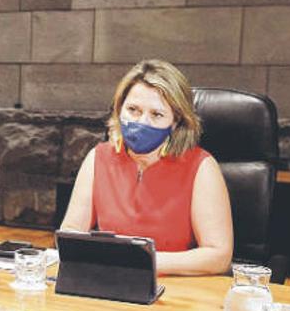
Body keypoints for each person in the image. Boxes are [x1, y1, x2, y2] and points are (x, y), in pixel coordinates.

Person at [60, 59, 233, 275]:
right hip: (110, 281)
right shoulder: (98, 157)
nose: (142, 122)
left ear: (176, 121)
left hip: (176, 290)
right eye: (133, 109)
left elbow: (218, 256)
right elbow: (70, 233)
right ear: (119, 109)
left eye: (156, 114)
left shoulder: (201, 167)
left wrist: (141, 260)